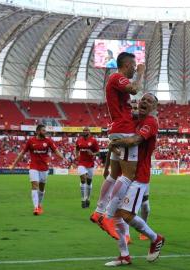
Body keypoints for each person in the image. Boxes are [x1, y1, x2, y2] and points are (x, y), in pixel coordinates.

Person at [105, 93, 165, 266]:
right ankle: (124, 255)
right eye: (143, 99)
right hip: (125, 174)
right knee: (117, 213)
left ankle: (156, 238)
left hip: (139, 177)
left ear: (154, 107)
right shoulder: (133, 120)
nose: (144, 101)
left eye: (149, 101)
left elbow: (135, 141)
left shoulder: (150, 122)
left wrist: (116, 142)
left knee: (126, 214)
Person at [90, 52, 144, 240]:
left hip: (118, 128)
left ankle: (98, 212)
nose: (135, 68)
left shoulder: (116, 81)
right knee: (129, 175)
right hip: (124, 130)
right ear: (127, 64)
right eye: (134, 65)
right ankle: (109, 216)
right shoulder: (117, 77)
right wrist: (141, 74)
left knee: (114, 174)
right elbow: (134, 89)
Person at [10, 124, 67, 215]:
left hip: (44, 168)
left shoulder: (48, 141)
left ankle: (39, 205)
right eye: (43, 130)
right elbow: (22, 153)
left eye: (45, 130)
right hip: (34, 167)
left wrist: (63, 158)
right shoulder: (31, 141)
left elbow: (56, 151)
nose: (45, 132)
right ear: (37, 131)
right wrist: (14, 164)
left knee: (41, 188)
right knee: (34, 185)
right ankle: (36, 208)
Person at [75, 127, 100, 208]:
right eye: (84, 130)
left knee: (89, 182)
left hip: (90, 164)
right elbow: (77, 149)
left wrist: (92, 154)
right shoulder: (79, 140)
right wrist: (76, 155)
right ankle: (83, 199)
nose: (85, 131)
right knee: (83, 179)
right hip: (81, 163)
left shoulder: (93, 140)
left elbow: (98, 151)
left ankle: (88, 199)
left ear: (89, 132)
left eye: (86, 130)